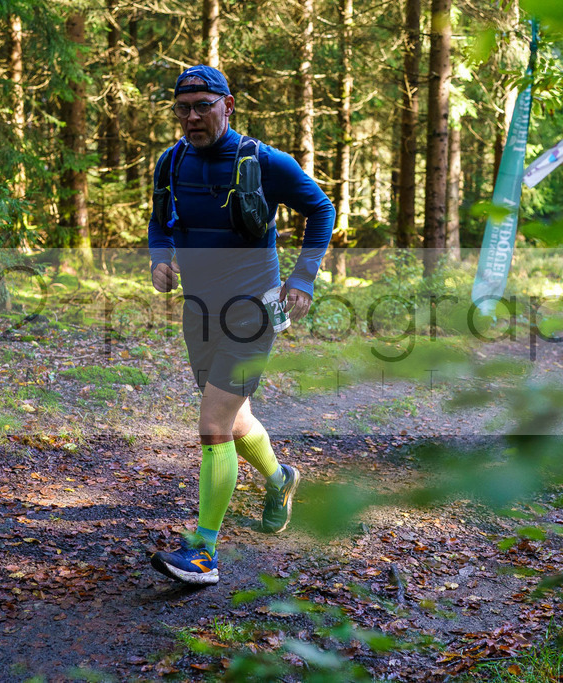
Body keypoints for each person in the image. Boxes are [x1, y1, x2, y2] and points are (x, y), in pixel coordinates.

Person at [147, 65, 335, 585]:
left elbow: (321, 209)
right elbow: (159, 219)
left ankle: (203, 551)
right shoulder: (170, 163)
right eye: (183, 107)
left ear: (228, 105)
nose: (192, 116)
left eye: (203, 105)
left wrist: (303, 278)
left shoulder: (265, 161)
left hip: (253, 311)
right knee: (232, 420)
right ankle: (280, 479)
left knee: (211, 424)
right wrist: (158, 255)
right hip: (198, 309)